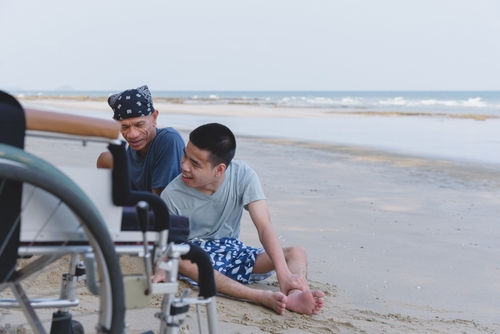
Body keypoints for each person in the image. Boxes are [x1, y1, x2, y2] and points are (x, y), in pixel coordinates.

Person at [153, 123, 324, 315]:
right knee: (179, 258)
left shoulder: (243, 175)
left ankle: (294, 294)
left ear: (219, 169)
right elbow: (169, 246)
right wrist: (163, 266)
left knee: (296, 252)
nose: (183, 165)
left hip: (233, 251)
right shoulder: (171, 195)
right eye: (185, 155)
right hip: (196, 257)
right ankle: (258, 297)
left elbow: (264, 227)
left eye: (195, 163)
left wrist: (284, 275)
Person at [97, 85, 184, 195]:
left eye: (139, 125)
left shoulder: (169, 140)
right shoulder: (138, 142)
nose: (132, 135)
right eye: (124, 127)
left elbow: (161, 202)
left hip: (161, 207)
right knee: (106, 158)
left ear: (154, 117)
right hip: (137, 200)